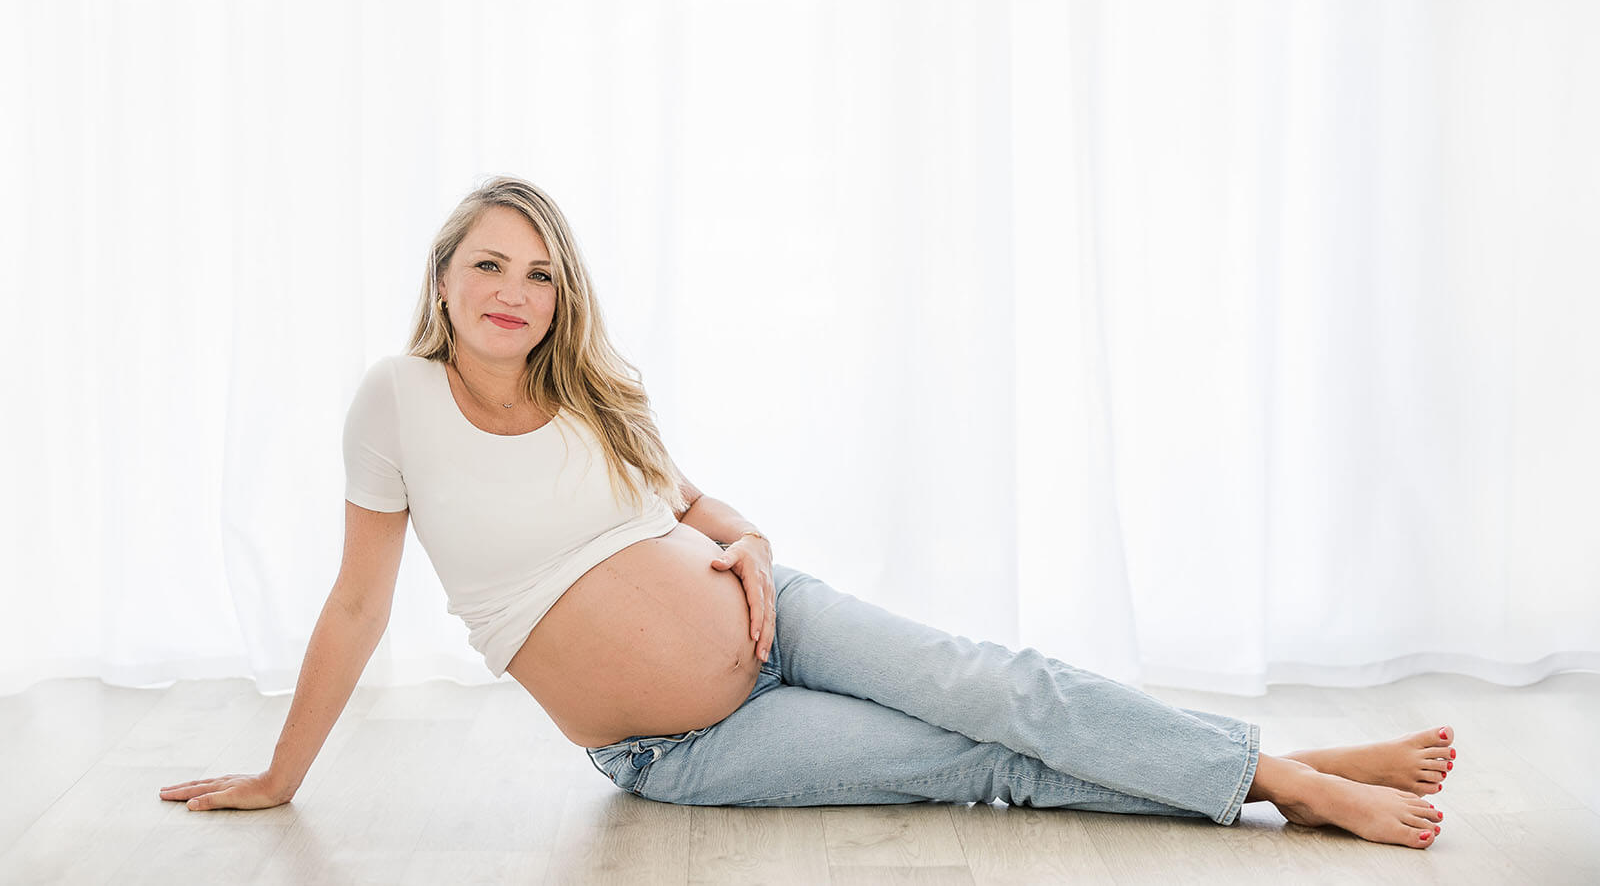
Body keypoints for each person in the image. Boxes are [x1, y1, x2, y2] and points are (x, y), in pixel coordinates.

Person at [160, 177, 1452, 849]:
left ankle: (1279, 775)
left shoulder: (592, 397)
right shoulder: (397, 401)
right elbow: (355, 602)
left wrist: (754, 552)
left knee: (1005, 686)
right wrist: (283, 774)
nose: (515, 289)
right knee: (982, 767)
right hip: (678, 749)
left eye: (541, 272)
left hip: (785, 623)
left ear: (563, 299)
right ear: (442, 277)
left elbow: (710, 512)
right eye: (489, 262)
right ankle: (1281, 778)